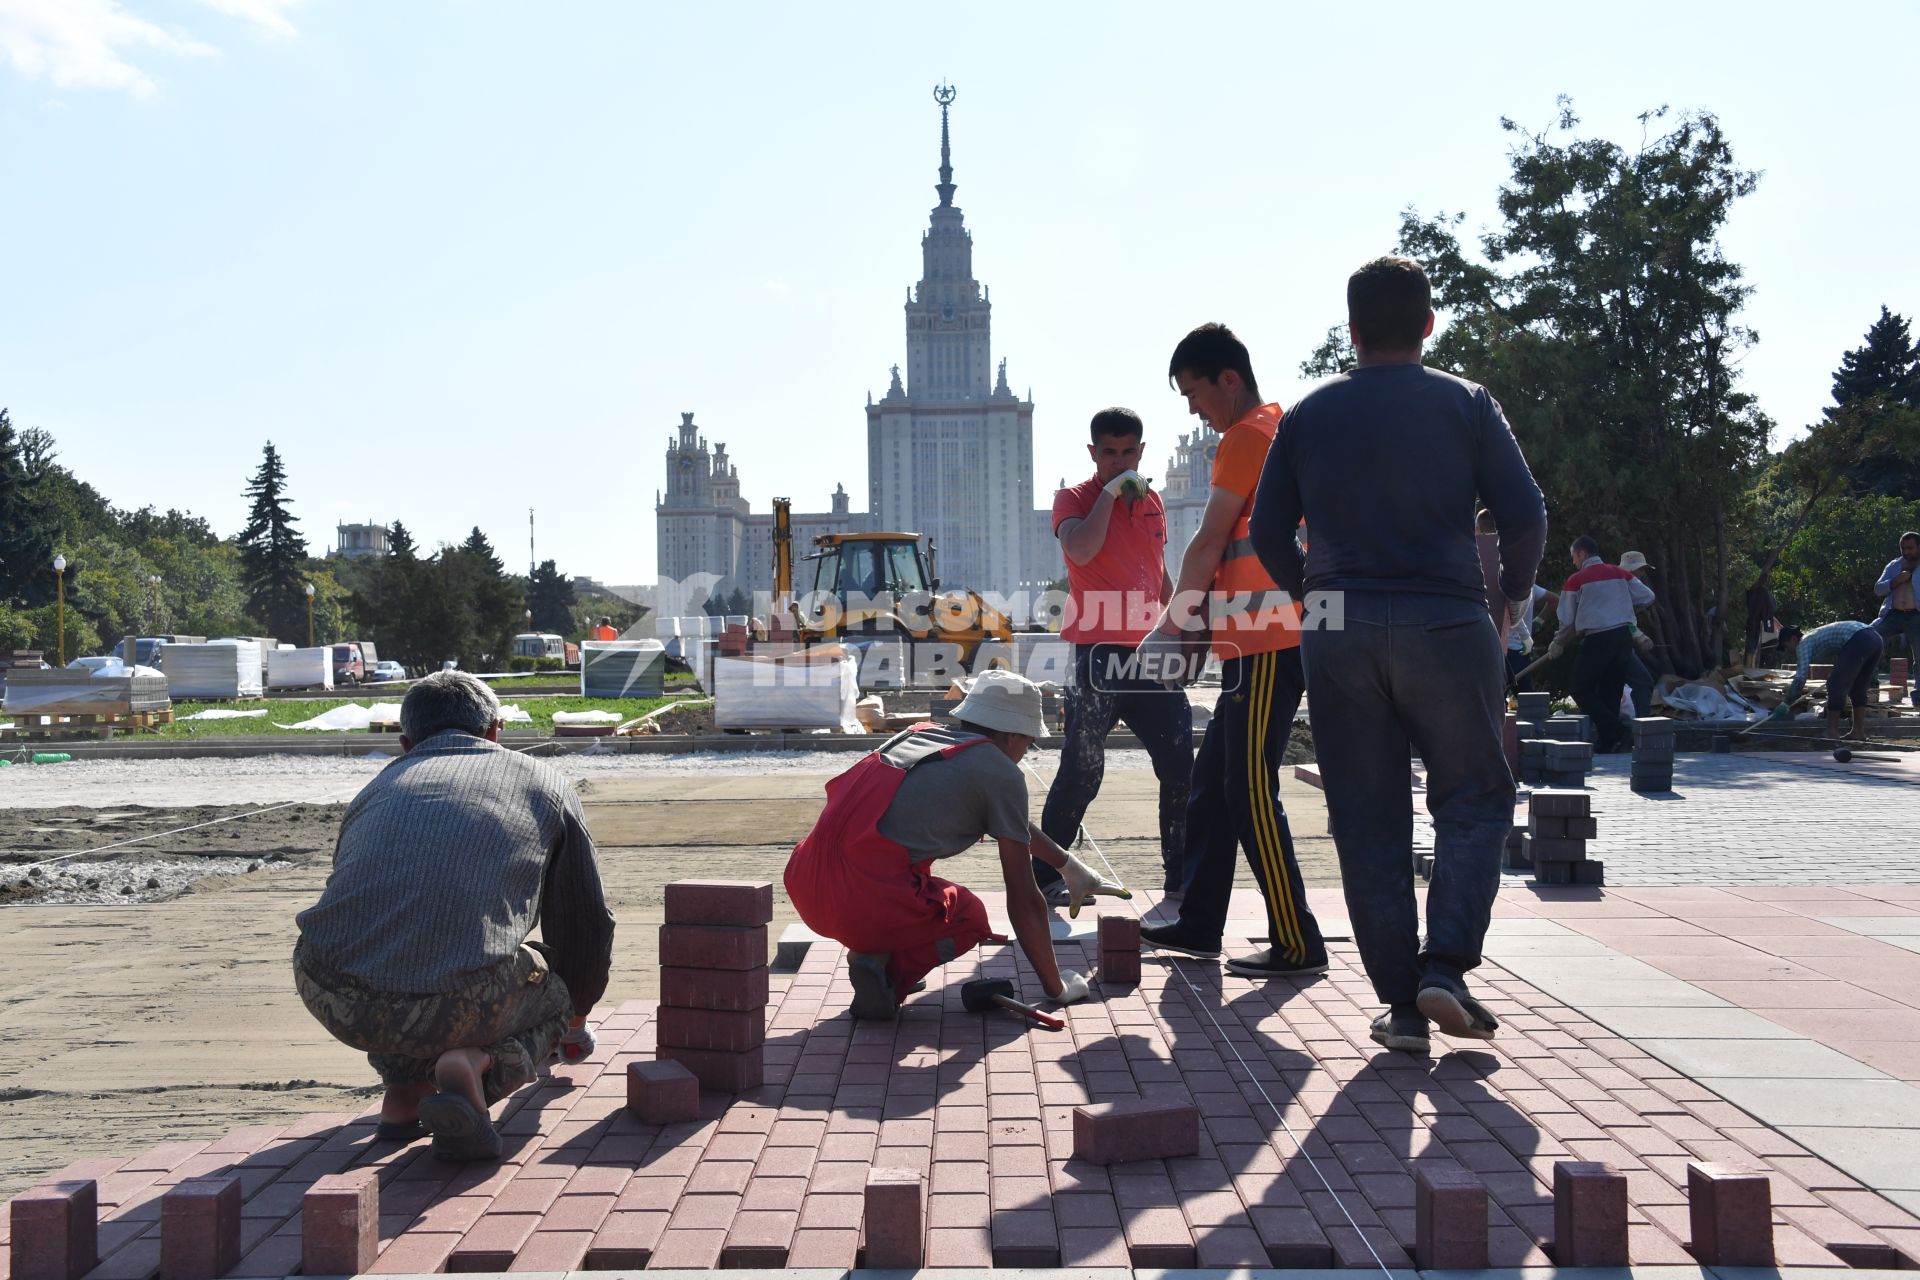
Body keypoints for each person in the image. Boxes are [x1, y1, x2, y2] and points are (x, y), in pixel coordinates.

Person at [1251, 256, 1547, 1055]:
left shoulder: (1308, 416)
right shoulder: (1466, 404)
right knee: (1475, 797)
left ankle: (1402, 1007)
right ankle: (1444, 967)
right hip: (1447, 622)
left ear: (1350, 331)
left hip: (1338, 629)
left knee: (1367, 814)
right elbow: (1525, 514)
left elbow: (1265, 533)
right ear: (1427, 323)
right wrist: (1511, 592)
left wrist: (1317, 593)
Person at [293, 672, 614, 1161]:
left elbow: (369, 906)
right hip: (455, 999)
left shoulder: (377, 788)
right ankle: (478, 1066)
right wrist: (573, 1016)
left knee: (398, 943)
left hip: (329, 988)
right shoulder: (544, 783)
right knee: (553, 982)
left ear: (405, 743)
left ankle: (404, 1096)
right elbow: (584, 923)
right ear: (495, 731)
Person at [1134, 323, 1327, 980]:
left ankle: (1296, 940)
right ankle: (1200, 923)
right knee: (1213, 788)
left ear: (1228, 379)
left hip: (1271, 642)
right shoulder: (1276, 430)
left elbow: (1209, 542)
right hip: (1257, 643)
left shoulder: (1248, 436)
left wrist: (1173, 624)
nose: (1193, 409)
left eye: (1194, 392)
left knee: (1247, 787)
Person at [784, 669, 1124, 1020]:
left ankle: (880, 955)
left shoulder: (918, 737)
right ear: (1010, 736)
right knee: (968, 916)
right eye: (1028, 741)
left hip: (805, 881)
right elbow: (1023, 896)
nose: (1027, 750)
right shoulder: (1000, 772)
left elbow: (1009, 822)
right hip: (860, 900)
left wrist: (1068, 866)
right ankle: (890, 971)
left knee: (906, 875)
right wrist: (1057, 989)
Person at [1036, 407, 1194, 903]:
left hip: (1151, 654)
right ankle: (1042, 882)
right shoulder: (1074, 498)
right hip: (1098, 656)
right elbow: (1081, 551)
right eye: (1110, 453)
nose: (1121, 462)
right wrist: (1108, 492)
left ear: (1142, 451)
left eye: (1129, 453)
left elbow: (1160, 572)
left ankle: (1181, 883)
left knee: (1179, 768)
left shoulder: (1154, 504)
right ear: (1093, 453)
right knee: (1082, 770)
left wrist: (1180, 630)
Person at [1550, 536, 1654, 753]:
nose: (1573, 562)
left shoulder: (1576, 579)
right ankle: (1609, 742)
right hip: (1623, 639)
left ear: (1582, 554)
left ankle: (1617, 732)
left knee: (1580, 688)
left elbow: (1567, 620)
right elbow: (1647, 596)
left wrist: (1558, 643)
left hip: (1598, 639)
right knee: (1611, 692)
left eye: (1574, 557)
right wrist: (1620, 604)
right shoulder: (1620, 574)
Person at [1770, 620, 1885, 741]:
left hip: (1859, 639)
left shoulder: (1802, 644)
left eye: (1786, 646)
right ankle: (1858, 732)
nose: (1788, 652)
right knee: (1858, 688)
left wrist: (1786, 702)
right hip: (1875, 638)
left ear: (1793, 639)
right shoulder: (1814, 637)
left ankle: (1831, 732)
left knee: (1834, 684)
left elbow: (1800, 678)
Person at [1872, 532, 1920, 708]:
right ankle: (1870, 686)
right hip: (1893, 614)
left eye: (1910, 548)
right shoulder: (1894, 565)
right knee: (1871, 639)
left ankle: (1918, 697)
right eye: (1903, 548)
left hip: (1917, 615)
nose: (1907, 552)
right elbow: (1878, 589)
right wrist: (1896, 581)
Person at [1618, 551, 1659, 718]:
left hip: (1610, 643)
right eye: (1641, 570)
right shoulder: (1625, 582)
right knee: (1643, 683)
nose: (1642, 575)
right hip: (1618, 644)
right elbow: (1648, 596)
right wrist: (1638, 634)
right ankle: (1643, 727)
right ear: (1633, 570)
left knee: (1609, 687)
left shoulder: (1613, 585)